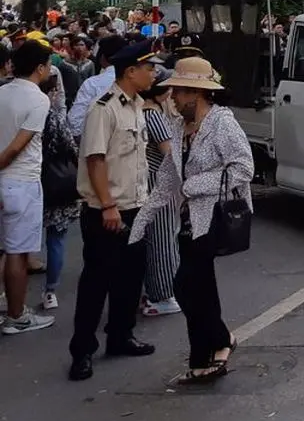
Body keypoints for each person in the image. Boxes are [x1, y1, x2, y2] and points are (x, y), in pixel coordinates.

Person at [130, 57, 251, 384]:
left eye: (177, 92)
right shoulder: (176, 125)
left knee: (185, 284)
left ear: (195, 93)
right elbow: (170, 176)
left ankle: (221, 341)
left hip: (215, 215)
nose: (171, 98)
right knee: (200, 286)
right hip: (190, 218)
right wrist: (145, 216)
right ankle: (203, 358)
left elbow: (243, 169)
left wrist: (195, 185)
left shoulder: (222, 123)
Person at [68, 40, 161, 381]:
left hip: (136, 207)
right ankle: (82, 350)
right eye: (148, 67)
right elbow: (95, 159)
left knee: (130, 279)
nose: (153, 72)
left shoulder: (138, 105)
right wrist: (108, 205)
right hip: (107, 210)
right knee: (97, 282)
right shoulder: (103, 107)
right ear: (130, 71)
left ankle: (120, 336)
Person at [0, 41, 56, 335]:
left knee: (6, 249)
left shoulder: (2, 92)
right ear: (39, 68)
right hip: (21, 182)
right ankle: (16, 315)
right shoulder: (39, 100)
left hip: (7, 183)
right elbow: (17, 147)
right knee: (17, 253)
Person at [138, 69, 182, 317]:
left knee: (157, 237)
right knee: (163, 238)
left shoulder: (143, 111)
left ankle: (158, 292)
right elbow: (169, 155)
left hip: (150, 181)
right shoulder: (152, 115)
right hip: (159, 182)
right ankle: (164, 294)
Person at [40, 63, 80, 313]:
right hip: (57, 182)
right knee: (56, 237)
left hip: (28, 180)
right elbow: (71, 149)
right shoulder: (53, 118)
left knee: (16, 246)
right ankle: (50, 291)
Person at [68, 35, 126, 139]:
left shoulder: (93, 83)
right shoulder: (135, 80)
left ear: (102, 57)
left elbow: (75, 120)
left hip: (96, 141)